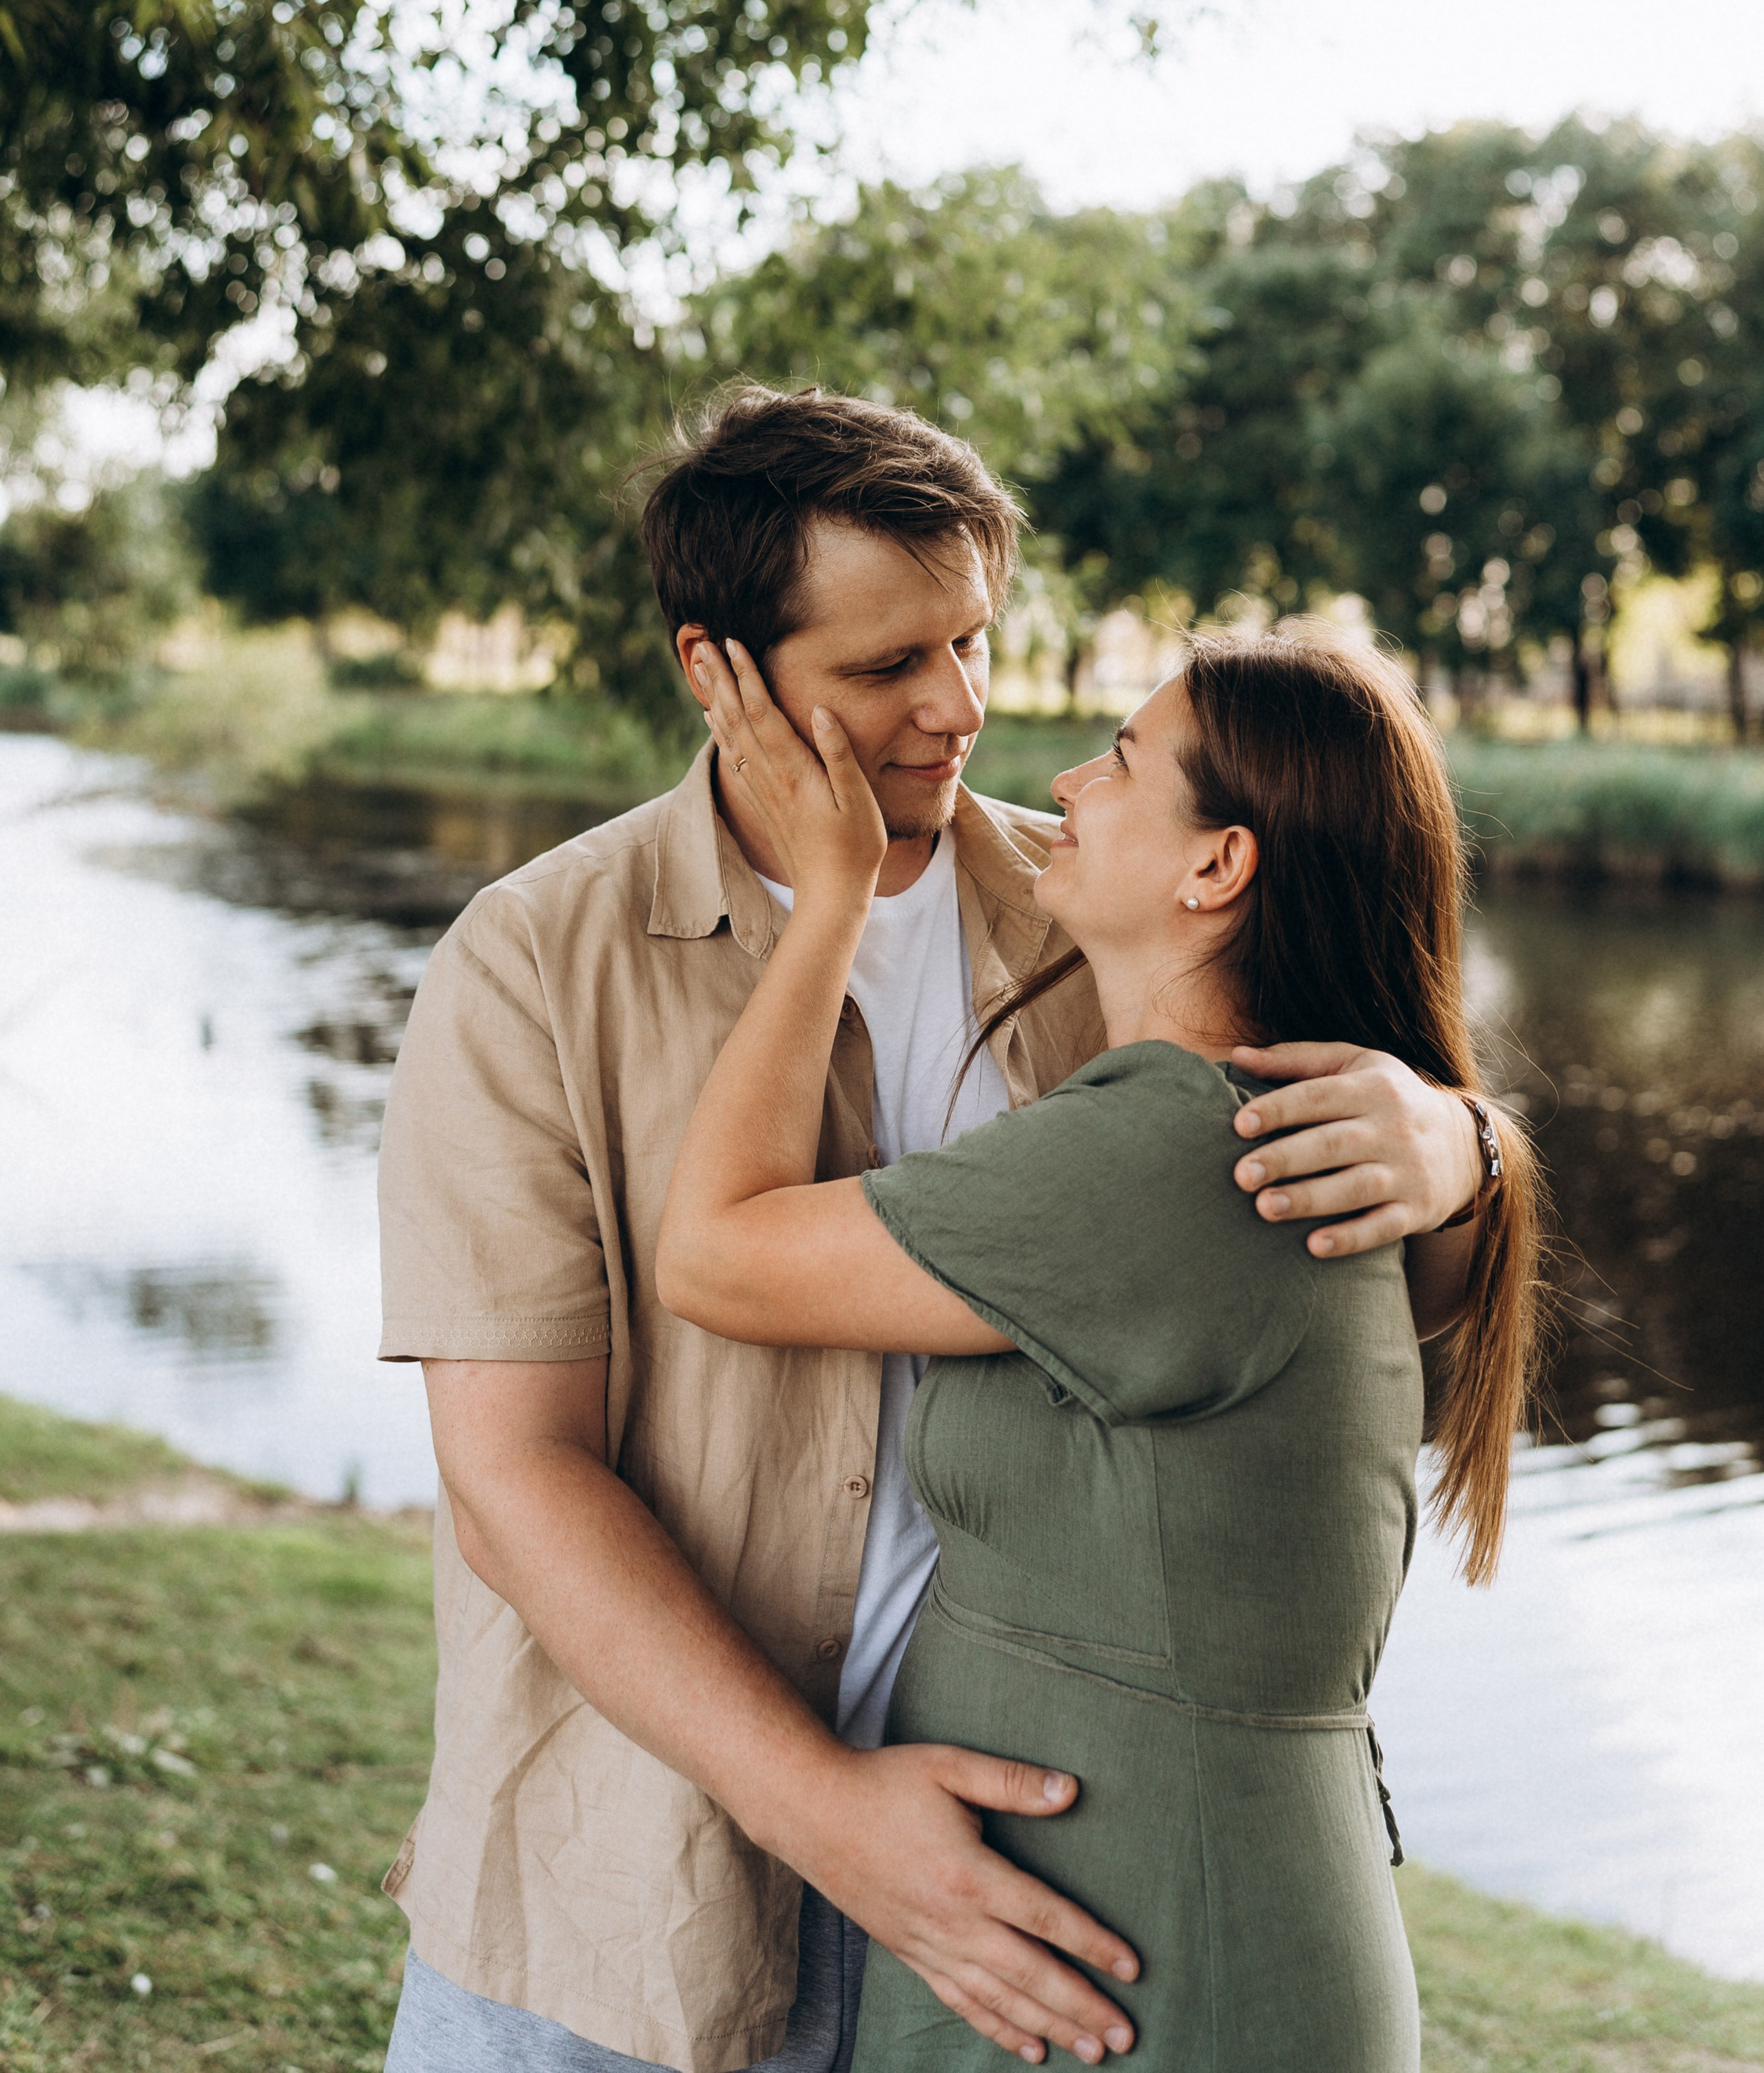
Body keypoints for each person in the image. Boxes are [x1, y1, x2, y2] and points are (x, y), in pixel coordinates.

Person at [377, 387, 1504, 2073]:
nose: (958, 709)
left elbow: (1296, 1265)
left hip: (1026, 1893)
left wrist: (1462, 1141)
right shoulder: (531, 965)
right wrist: (819, 1808)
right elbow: (515, 1476)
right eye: (886, 667)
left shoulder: (1098, 913)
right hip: (625, 1887)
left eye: (971, 643)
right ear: (719, 671)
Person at [657, 618, 1542, 2072]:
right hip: (1132, 1925)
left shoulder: (1171, 1150)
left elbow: (714, 1254)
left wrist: (825, 904)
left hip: (1154, 1954)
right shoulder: (1241, 1130)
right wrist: (1474, 1140)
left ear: (1216, 867)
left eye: (1123, 761)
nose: (1066, 780)